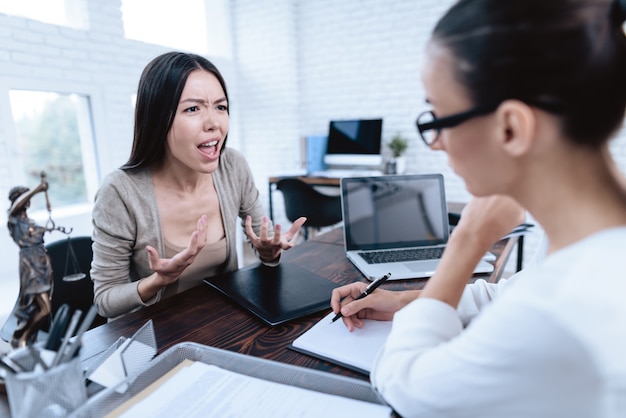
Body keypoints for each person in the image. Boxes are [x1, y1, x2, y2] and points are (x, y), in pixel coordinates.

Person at [331, 0, 626, 416]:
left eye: (437, 119)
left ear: (510, 128)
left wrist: (468, 239)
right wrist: (405, 301)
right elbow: (517, 291)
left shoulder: (561, 312)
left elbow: (404, 383)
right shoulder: (593, 242)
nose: (436, 143)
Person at [91, 52, 305, 319]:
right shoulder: (120, 192)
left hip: (224, 326)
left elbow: (264, 244)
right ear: (158, 119)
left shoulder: (233, 166)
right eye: (193, 109)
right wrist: (157, 281)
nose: (214, 123)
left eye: (221, 107)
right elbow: (105, 300)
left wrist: (269, 253)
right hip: (155, 338)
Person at [7, 174, 54, 347]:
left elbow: (38, 235)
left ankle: (28, 338)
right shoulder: (13, 219)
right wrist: (38, 189)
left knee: (40, 306)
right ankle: (21, 338)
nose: (27, 201)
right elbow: (18, 205)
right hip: (30, 265)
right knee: (44, 307)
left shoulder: (29, 221)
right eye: (24, 197)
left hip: (42, 262)